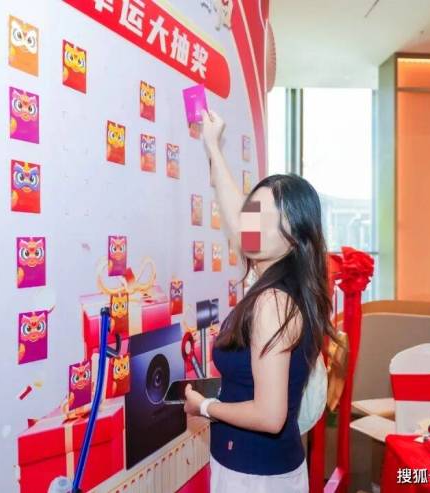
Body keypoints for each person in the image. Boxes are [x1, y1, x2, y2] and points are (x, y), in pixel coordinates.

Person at [183, 109, 339, 493]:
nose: (252, 224)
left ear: (295, 235)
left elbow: (270, 416)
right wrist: (212, 147)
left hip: (256, 478)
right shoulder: (281, 281)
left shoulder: (274, 302)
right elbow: (237, 218)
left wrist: (204, 407)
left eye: (267, 218)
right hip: (256, 469)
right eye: (253, 213)